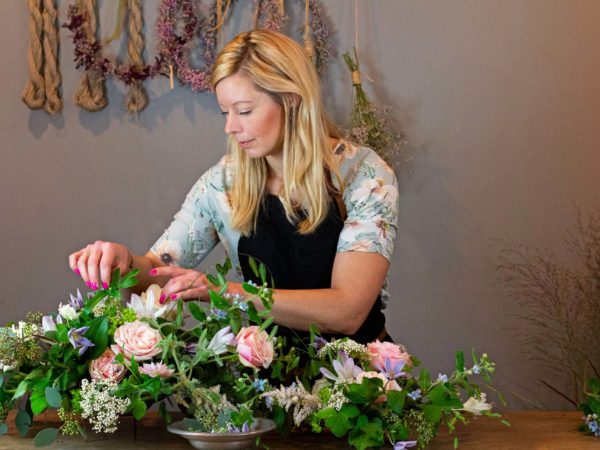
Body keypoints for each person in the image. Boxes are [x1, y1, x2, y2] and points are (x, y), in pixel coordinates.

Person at [69, 29, 399, 344]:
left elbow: (347, 312)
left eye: (244, 111)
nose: (231, 127)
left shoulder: (363, 175)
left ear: (292, 100)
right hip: (266, 378)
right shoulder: (222, 184)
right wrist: (124, 261)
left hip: (362, 382)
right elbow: (158, 272)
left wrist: (225, 292)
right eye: (225, 112)